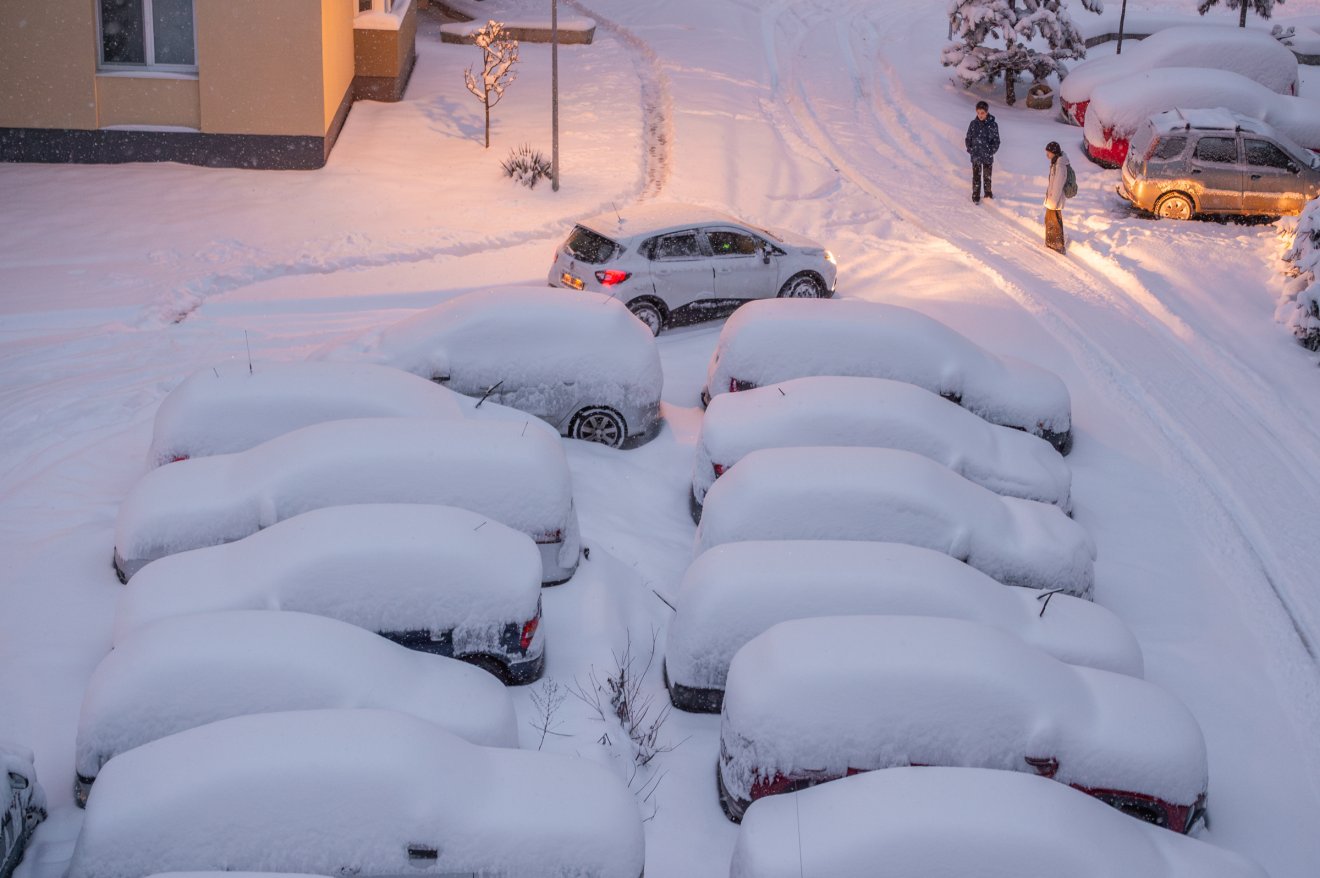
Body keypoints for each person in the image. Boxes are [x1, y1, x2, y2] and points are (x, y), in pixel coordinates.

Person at [964, 100, 999, 204]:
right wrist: (970, 149)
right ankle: (975, 195)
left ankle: (988, 193)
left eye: (982, 113)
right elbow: (968, 138)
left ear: (987, 112)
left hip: (987, 156)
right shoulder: (973, 124)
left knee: (987, 177)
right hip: (976, 155)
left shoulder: (993, 125)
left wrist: (991, 151)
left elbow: (996, 141)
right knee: (976, 177)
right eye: (978, 112)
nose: (980, 115)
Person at [1043, 141, 1070, 254]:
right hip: (1052, 199)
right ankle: (1052, 243)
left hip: (1054, 200)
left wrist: (1052, 202)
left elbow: (1058, 185)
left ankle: (1057, 245)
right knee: (1051, 221)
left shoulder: (1060, 166)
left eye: (1048, 152)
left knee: (1054, 223)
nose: (1047, 155)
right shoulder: (1055, 163)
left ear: (1054, 153)